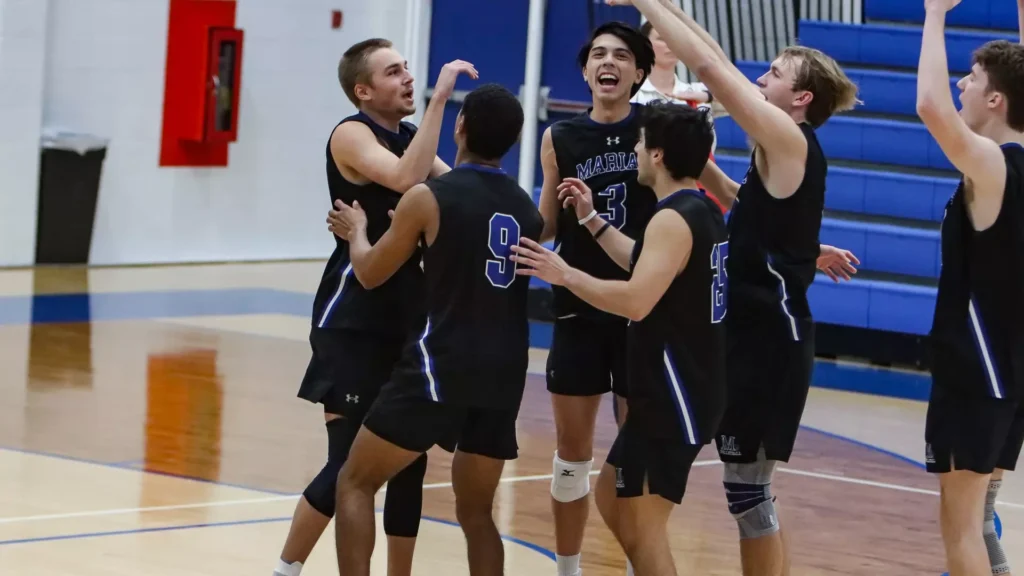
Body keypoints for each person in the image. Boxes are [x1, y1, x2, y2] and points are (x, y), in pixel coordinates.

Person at [608, 1, 859, 574]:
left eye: (773, 73)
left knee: (750, 494)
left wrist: (647, 5)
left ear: (801, 98)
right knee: (746, 493)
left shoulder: (790, 140)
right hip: (749, 331)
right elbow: (719, 62)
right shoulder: (778, 150)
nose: (759, 78)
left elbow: (713, 67)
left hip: (771, 341)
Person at [273, 38, 476, 576]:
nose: (407, 77)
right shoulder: (351, 133)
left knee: (409, 462)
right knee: (346, 465)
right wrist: (440, 99)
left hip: (409, 315)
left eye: (408, 68)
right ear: (364, 91)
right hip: (355, 317)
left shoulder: (410, 136)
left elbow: (456, 192)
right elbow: (406, 179)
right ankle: (285, 569)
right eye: (394, 72)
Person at [327, 83, 543, 576]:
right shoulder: (526, 209)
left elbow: (370, 272)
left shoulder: (428, 197)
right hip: (506, 371)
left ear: (460, 127)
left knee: (355, 484)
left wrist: (358, 232)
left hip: (441, 363)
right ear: (512, 142)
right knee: (476, 514)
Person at [512, 101, 726, 575]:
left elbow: (635, 300)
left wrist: (565, 275)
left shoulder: (673, 219)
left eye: (641, 142)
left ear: (657, 155)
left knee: (644, 528)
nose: (634, 147)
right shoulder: (696, 210)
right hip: (677, 390)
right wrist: (591, 220)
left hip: (677, 393)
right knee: (611, 495)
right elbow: (643, 261)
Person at [534, 22, 655, 576]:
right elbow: (545, 223)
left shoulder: (658, 128)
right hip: (579, 310)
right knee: (571, 459)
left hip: (640, 310)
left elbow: (716, 192)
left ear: (639, 72)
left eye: (622, 56)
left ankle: (640, 564)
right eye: (599, 55)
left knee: (638, 456)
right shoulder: (560, 137)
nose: (609, 63)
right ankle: (568, 569)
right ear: (585, 71)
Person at [916, 0, 1024, 574]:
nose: (962, 82)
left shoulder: (994, 165)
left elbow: (931, 107)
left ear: (996, 100)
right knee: (980, 522)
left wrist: (935, 14)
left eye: (974, 78)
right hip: (1013, 368)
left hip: (977, 370)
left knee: (960, 531)